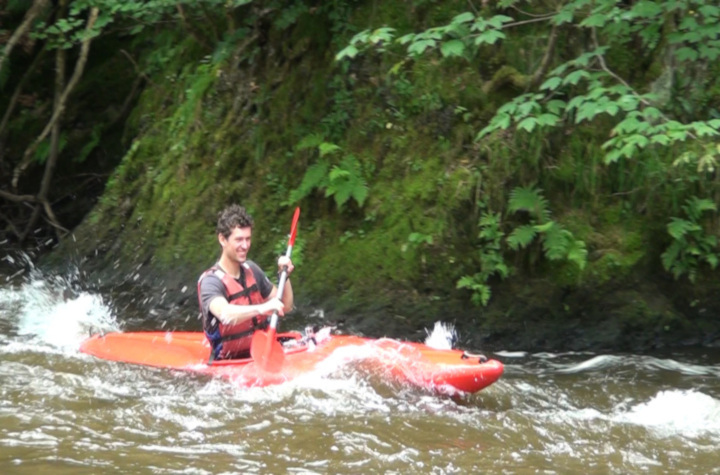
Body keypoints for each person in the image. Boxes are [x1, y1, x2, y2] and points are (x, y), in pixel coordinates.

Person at [197, 205, 294, 361]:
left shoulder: (252, 270)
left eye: (248, 239)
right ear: (222, 239)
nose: (245, 245)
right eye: (239, 239)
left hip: (260, 354)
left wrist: (285, 276)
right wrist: (262, 308)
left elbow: (286, 305)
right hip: (229, 362)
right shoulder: (210, 282)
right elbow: (225, 314)